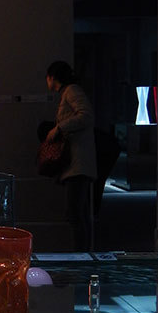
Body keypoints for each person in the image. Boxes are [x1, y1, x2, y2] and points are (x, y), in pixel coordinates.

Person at [44, 61, 97, 251]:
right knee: (78, 213)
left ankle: (81, 254)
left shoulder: (71, 91)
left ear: (52, 77)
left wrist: (60, 128)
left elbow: (86, 115)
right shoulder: (69, 92)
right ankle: (83, 252)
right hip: (77, 164)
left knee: (75, 213)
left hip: (78, 164)